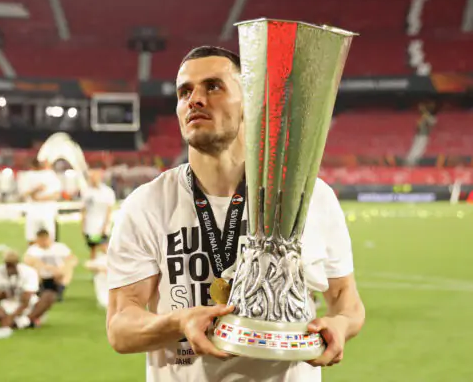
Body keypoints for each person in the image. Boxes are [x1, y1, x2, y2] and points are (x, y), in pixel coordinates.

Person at [106, 46, 366, 382]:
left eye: (213, 86)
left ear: (250, 102)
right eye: (185, 92)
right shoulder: (146, 204)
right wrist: (178, 321)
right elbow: (120, 327)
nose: (195, 100)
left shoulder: (310, 196)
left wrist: (341, 325)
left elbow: (346, 299)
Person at [0, 250, 45, 338]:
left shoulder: (29, 272)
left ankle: (22, 320)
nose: (10, 268)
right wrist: (0, 295)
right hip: (6, 305)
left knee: (48, 297)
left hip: (27, 306)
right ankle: (23, 323)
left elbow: (26, 301)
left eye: (13, 265)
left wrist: (11, 317)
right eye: (8, 265)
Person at [24, 229, 77, 303]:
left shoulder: (59, 247)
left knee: (68, 268)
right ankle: (39, 289)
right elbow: (27, 260)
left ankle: (60, 289)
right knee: (34, 266)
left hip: (57, 275)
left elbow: (73, 259)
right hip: (42, 276)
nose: (43, 242)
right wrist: (46, 267)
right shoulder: (33, 249)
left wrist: (62, 268)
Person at [22, 159, 62, 245]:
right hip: (33, 211)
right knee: (32, 237)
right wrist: (36, 189)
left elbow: (56, 194)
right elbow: (24, 193)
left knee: (50, 237)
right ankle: (33, 252)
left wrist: (40, 198)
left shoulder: (50, 175)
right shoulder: (29, 176)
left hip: (48, 211)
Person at [81, 169, 116, 260]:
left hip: (102, 224)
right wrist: (83, 225)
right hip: (90, 225)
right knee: (93, 248)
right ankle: (94, 266)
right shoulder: (86, 192)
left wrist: (105, 225)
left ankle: (109, 265)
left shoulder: (107, 192)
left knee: (104, 247)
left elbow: (109, 210)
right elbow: (84, 210)